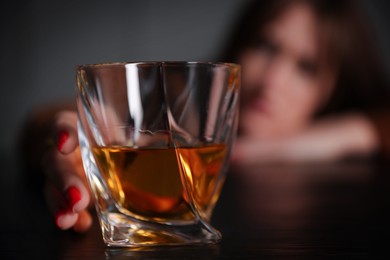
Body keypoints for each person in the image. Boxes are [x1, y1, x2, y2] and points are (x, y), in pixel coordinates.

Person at [19, 0, 390, 232]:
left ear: (334, 88)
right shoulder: (182, 109)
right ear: (240, 44)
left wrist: (347, 132)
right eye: (266, 46)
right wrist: (61, 141)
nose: (273, 80)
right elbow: (50, 116)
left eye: (306, 67)